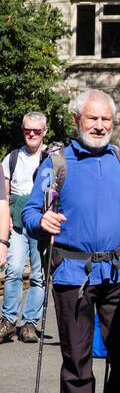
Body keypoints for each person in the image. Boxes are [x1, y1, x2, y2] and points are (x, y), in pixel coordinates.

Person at [22, 91, 120, 393]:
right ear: (77, 119)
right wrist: (41, 221)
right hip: (73, 273)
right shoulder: (57, 162)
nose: (100, 126)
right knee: (77, 357)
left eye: (106, 119)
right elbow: (29, 211)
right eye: (92, 119)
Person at [2, 112, 52, 343]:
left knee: (39, 275)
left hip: (40, 222)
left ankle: (30, 323)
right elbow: (5, 192)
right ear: (22, 131)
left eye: (37, 130)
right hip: (17, 221)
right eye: (27, 130)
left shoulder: (52, 158)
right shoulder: (12, 158)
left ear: (45, 131)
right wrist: (7, 220)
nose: (31, 134)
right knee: (13, 269)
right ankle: (8, 320)